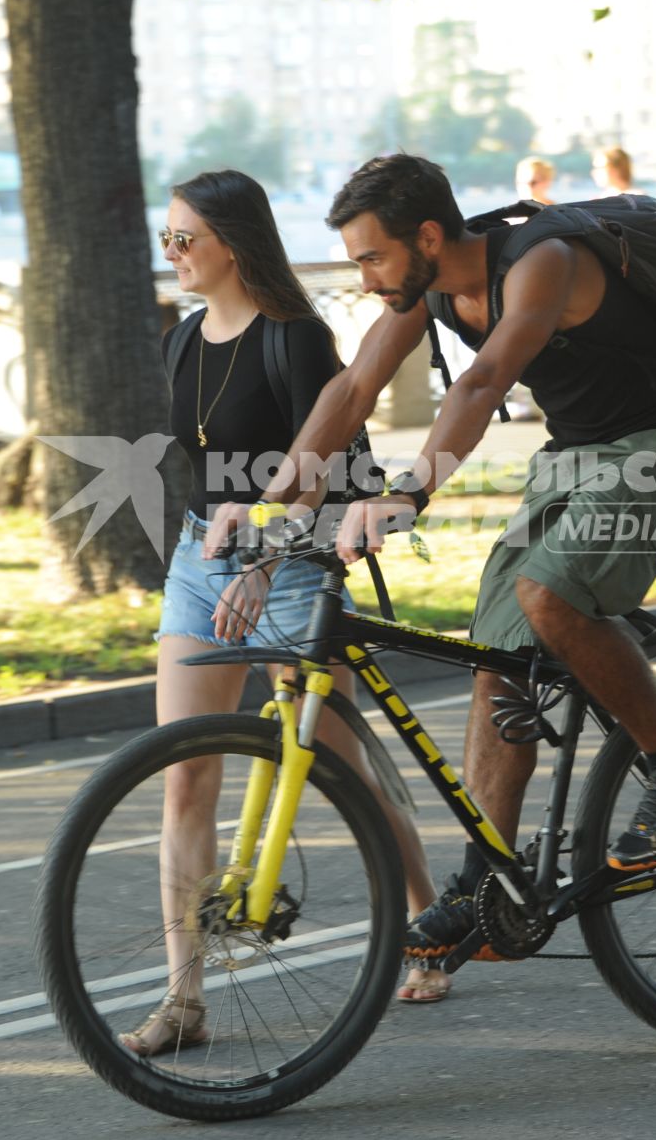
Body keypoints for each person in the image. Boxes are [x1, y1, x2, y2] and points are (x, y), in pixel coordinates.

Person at [206, 153, 656, 978]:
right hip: (576, 461)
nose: (369, 278)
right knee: (498, 663)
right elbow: (351, 393)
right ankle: (489, 880)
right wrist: (273, 505)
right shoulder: (428, 289)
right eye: (357, 263)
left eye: (374, 257)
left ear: (426, 236)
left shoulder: (541, 262)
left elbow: (485, 379)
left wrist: (410, 493)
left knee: (547, 595)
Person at [130, 169, 443, 1054]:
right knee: (184, 771)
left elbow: (347, 467)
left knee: (340, 768)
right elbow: (202, 474)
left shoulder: (297, 339)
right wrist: (221, 552)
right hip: (204, 562)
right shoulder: (184, 339)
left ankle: (431, 921)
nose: (174, 254)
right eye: (168, 240)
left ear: (233, 241)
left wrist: (272, 555)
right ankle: (184, 999)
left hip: (295, 568)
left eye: (184, 238)